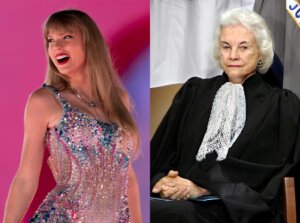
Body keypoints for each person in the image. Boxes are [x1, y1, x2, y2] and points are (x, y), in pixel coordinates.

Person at [151, 7, 300, 223]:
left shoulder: (280, 105)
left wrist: (202, 189)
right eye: (226, 46)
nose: (233, 56)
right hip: (177, 202)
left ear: (260, 52)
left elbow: (268, 175)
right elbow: (160, 154)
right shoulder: (194, 92)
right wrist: (163, 181)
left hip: (233, 210)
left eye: (244, 47)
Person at [4, 9, 142, 223]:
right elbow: (25, 178)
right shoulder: (44, 101)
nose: (56, 46)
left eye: (67, 37)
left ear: (90, 43)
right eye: (51, 40)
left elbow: (127, 176)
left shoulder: (119, 100)